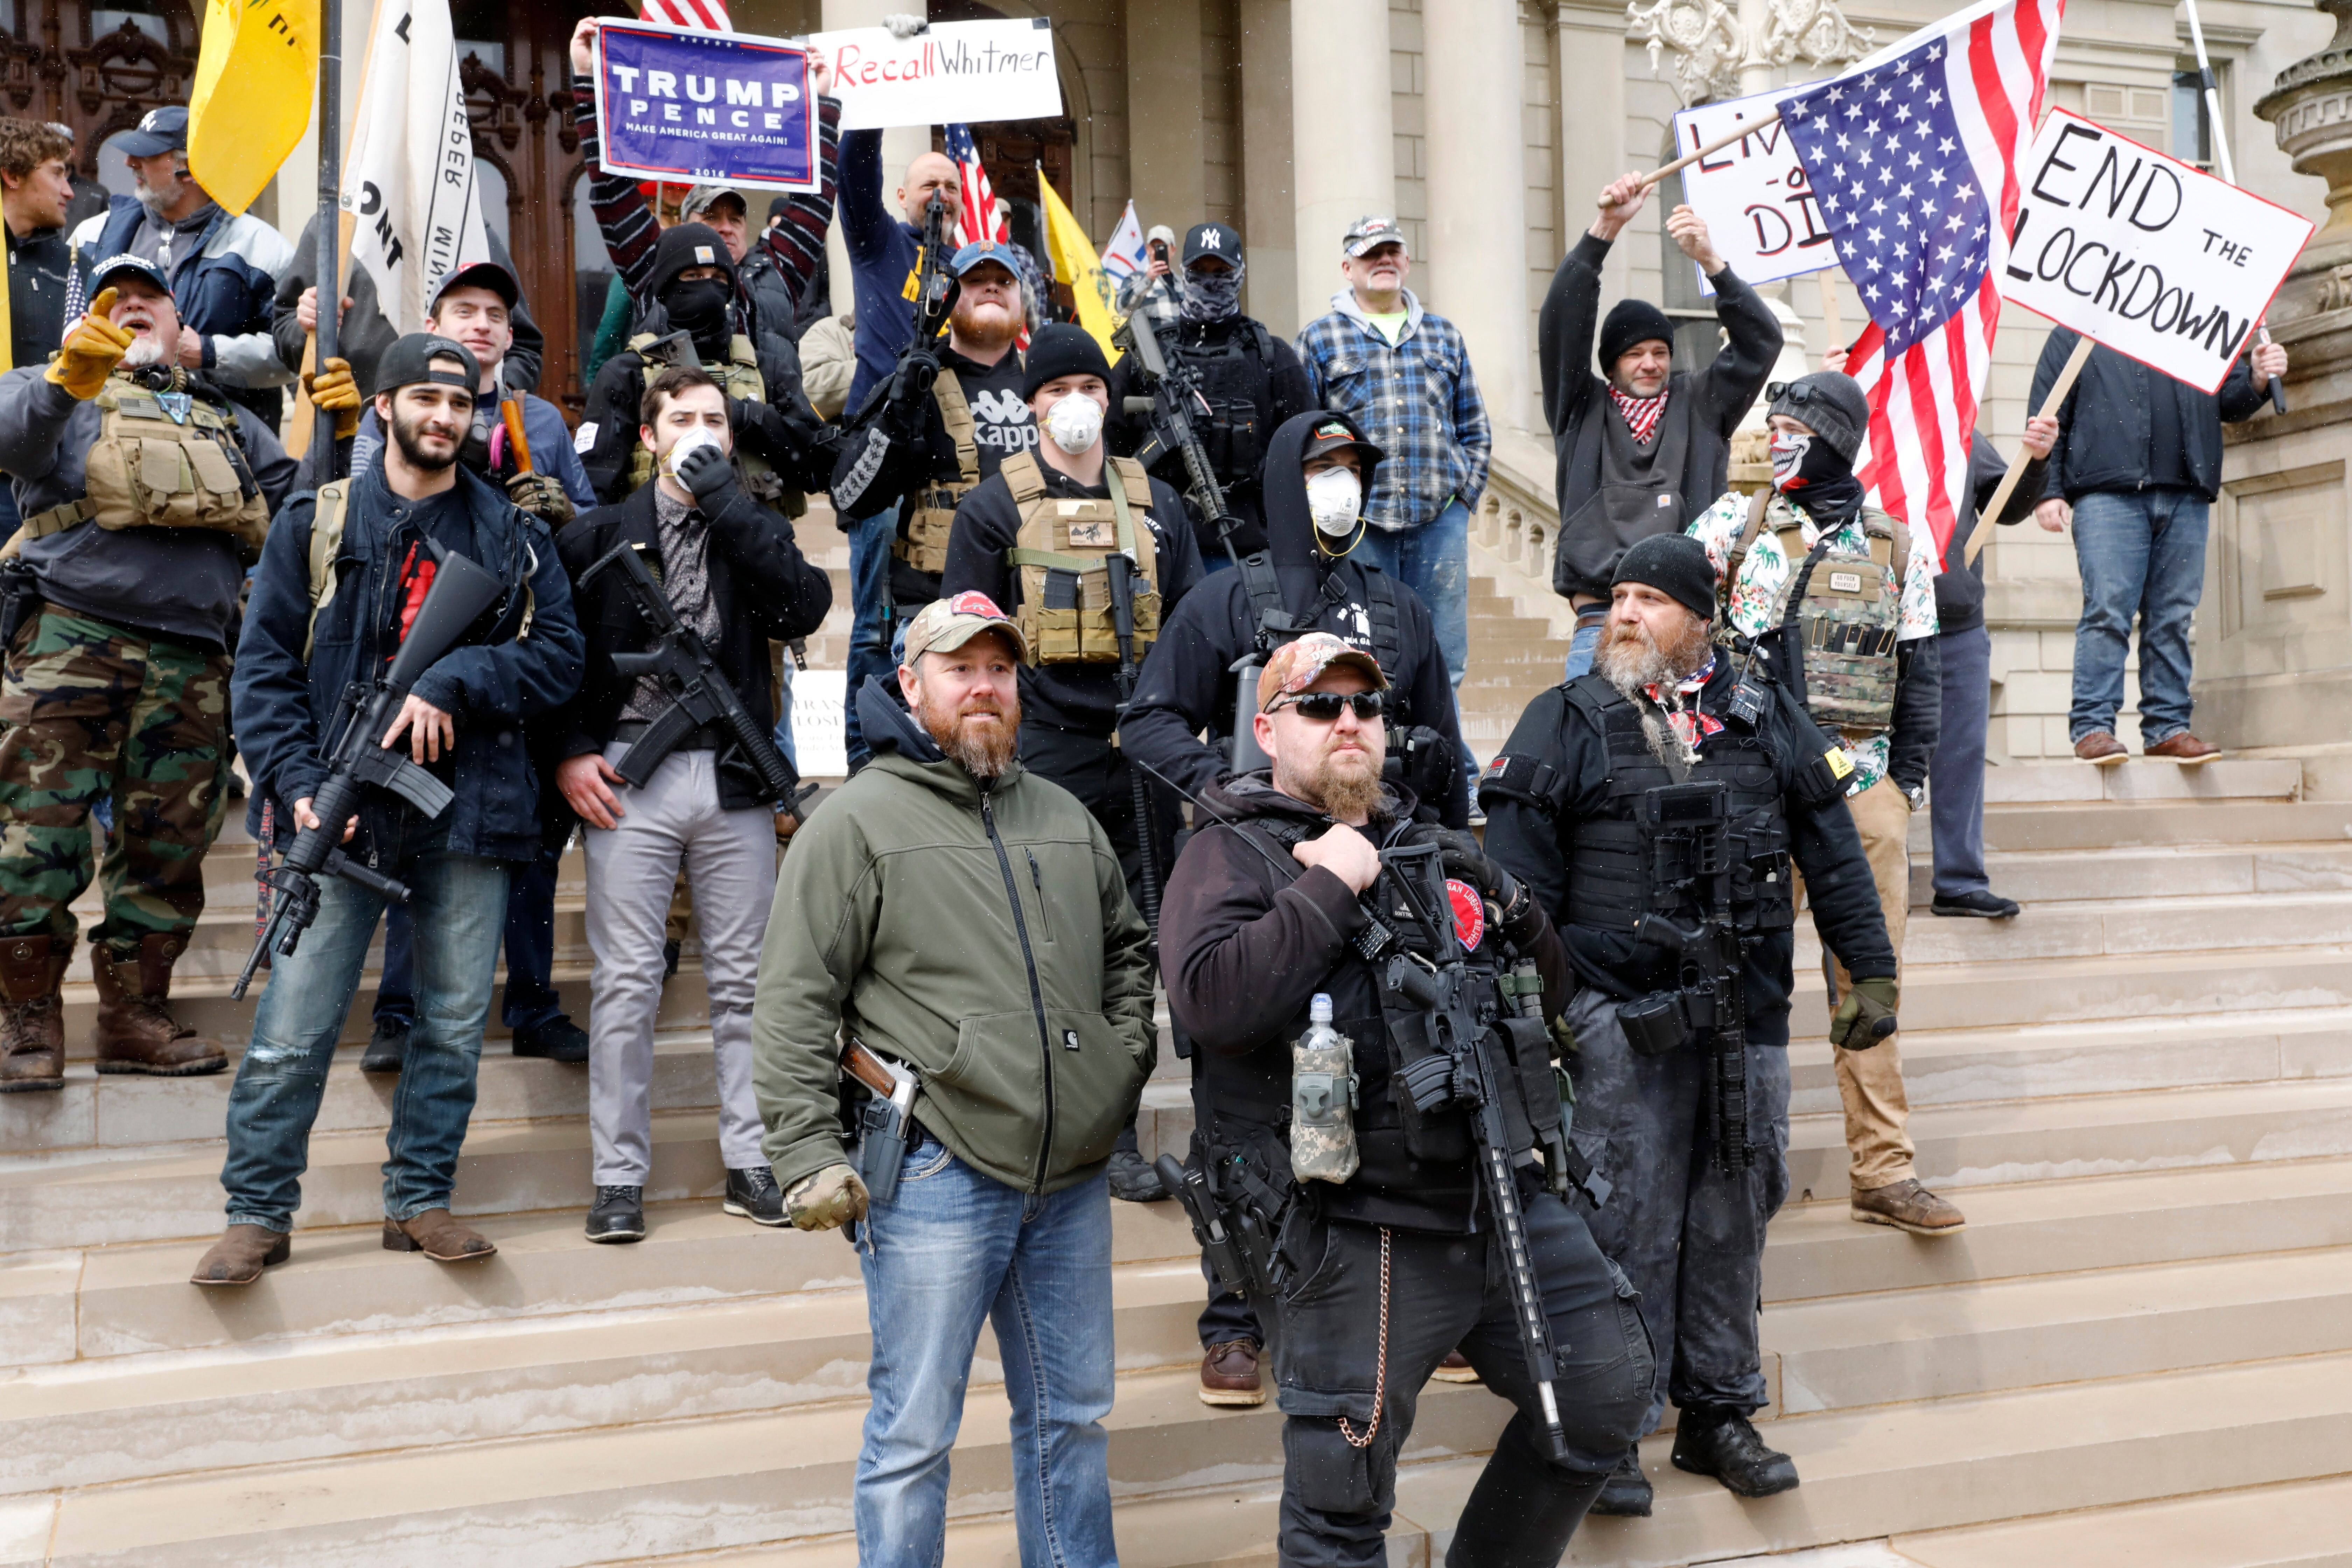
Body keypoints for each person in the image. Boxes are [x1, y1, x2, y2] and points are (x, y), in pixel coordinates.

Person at [1159, 630, 1650, 1564]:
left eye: (1366, 706)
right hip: (1355, 1222)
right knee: (1342, 1502)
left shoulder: (1430, 841)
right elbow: (1216, 1001)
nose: (1350, 723)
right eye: (1320, 706)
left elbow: (1546, 994)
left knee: (1606, 1391)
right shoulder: (1230, 851)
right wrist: (1330, 885)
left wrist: (1511, 899)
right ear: (1268, 730)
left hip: (1495, 1193)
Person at [1481, 533, 1898, 1513]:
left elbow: (1833, 849)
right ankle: (1612, 1426)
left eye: (1648, 598)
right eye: (1618, 594)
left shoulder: (1763, 717)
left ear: (1699, 618)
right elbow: (1515, 886)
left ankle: (1717, 1413)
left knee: (1731, 1219)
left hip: (1743, 1018)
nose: (1625, 612)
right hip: (1616, 1021)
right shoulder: (1566, 717)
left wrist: (1869, 974)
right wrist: (1554, 1014)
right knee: (1618, 1219)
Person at [751, 592, 1155, 1568]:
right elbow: (793, 998)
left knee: (1071, 1424)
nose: (984, 687)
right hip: (939, 1172)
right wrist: (806, 1151)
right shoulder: (854, 824)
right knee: (913, 1435)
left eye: (1000, 670)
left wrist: (1116, 1064)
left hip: (1068, 1179)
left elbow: (1128, 957)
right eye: (959, 668)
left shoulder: (1064, 816)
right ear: (909, 684)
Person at [198, 332, 582, 1285]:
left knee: (452, 1023)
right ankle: (257, 1212)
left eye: (462, 405)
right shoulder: (317, 521)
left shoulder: (511, 535)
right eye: (426, 400)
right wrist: (295, 786)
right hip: (340, 805)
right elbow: (264, 671)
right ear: (384, 409)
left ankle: (419, 1200)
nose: (446, 418)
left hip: (473, 810)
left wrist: (459, 676)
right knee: (294, 1025)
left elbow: (562, 659)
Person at [1122, 411, 1473, 1399]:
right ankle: (1235, 1318)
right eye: (1323, 466)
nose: (1342, 483)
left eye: (1356, 467)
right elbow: (1146, 721)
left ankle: (1430, 1303)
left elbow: (1439, 748)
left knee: (1403, 1080)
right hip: (1254, 872)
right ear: (1287, 477)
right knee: (1242, 1100)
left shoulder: (1400, 610)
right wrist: (1234, 789)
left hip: (1382, 868)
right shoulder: (1226, 599)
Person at [0, 255, 298, 1094]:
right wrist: (66, 378)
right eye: (116, 297)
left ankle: (134, 1016)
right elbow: (7, 440)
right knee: (36, 838)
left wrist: (353, 434)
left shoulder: (225, 417)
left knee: (169, 849)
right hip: (71, 640)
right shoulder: (50, 389)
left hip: (195, 659)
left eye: (152, 300)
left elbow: (304, 513)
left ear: (180, 326)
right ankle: (27, 1018)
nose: (134, 308)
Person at [553, 364, 831, 1242]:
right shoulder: (600, 532)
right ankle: (618, 1175)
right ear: (649, 435)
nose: (700, 430)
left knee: (746, 983)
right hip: (630, 780)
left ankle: (751, 1161)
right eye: (682, 418)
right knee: (630, 982)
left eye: (715, 418)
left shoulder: (748, 530)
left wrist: (734, 508)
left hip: (736, 781)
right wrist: (568, 755)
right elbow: (557, 657)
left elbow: (807, 606)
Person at [1681, 371, 1962, 1237]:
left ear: (1837, 437)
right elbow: (1674, 620)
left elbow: (1922, 675)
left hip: (1861, 791)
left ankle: (1883, 1171)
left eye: (1794, 425)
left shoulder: (1898, 547)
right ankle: (1715, 1166)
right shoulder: (1738, 522)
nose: (1776, 438)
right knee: (1728, 973)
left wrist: (1902, 790)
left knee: (1869, 984)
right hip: (1756, 786)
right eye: (1773, 424)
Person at [938, 322, 1202, 1205]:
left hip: (1149, 749)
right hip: (1049, 750)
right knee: (1059, 950)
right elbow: (965, 640)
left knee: (1158, 944)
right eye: (1055, 390)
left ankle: (1128, 1127)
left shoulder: (1157, 499)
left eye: (1089, 385)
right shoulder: (993, 506)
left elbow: (1198, 623)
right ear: (1032, 403)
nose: (1074, 404)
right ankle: (1071, 1125)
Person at [348, 260, 597, 1077]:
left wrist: (555, 513)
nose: (483, 324)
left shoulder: (541, 421)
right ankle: (396, 1012)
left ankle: (531, 1004)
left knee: (522, 849)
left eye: (496, 312)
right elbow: (372, 517)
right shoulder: (402, 404)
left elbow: (588, 531)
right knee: (417, 845)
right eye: (466, 310)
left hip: (516, 658)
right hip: (420, 654)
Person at [1544, 172, 1782, 679]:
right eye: (1634, 354)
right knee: (1591, 752)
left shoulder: (1699, 402)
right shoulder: (1580, 407)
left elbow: (1761, 341)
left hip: (1683, 624)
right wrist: (1605, 228)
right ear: (1611, 365)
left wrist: (1711, 263)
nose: (1650, 364)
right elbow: (1562, 318)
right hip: (1600, 622)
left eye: (1660, 352)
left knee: (1683, 755)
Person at [2030, 327, 2288, 764]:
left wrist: (2258, 378)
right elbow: (2048, 417)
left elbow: (2228, 401)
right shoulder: (2077, 330)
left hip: (2187, 492)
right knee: (2108, 610)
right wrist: (2048, 489)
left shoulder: (2196, 323)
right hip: (2107, 493)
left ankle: (2168, 727)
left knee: (2173, 617)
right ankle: (2094, 726)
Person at [828, 238, 1036, 770]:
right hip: (934, 618)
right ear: (949, 299)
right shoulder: (919, 380)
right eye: (975, 280)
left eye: (1004, 280)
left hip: (1035, 620)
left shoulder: (1052, 381)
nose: (992, 286)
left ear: (1022, 301)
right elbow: (850, 494)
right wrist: (899, 415)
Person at [1294, 216, 1491, 699]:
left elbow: (1476, 430)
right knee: (1360, 651)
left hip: (1438, 524)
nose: (1383, 261)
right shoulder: (1319, 340)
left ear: (1405, 260)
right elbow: (1300, 435)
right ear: (1347, 267)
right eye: (1370, 254)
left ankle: (1445, 765)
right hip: (1356, 527)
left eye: (1392, 251)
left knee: (1443, 658)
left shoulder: (1445, 337)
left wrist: (1462, 501)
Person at [568, 19, 839, 350]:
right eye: (711, 218)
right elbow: (612, 190)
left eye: (735, 219)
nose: (726, 228)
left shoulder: (778, 273)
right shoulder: (654, 270)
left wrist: (819, 105)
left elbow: (816, 201)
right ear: (684, 226)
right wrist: (588, 80)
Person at [578, 223, 835, 515]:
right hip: (656, 551)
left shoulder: (768, 369)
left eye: (718, 277)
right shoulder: (629, 373)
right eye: (694, 276)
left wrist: (748, 417)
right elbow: (593, 491)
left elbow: (820, 462)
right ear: (667, 287)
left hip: (755, 549)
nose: (708, 287)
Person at [64, 106, 295, 427]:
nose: (131, 163)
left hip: (219, 448)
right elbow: (61, 334)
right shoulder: (91, 235)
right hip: (108, 440)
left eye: (147, 154)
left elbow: (294, 354)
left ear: (188, 168)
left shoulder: (263, 249)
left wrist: (209, 352)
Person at [1107, 222, 1315, 566]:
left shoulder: (1273, 357)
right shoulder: (1145, 357)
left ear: (1240, 275)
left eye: (1222, 272)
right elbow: (1112, 445)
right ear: (1183, 274)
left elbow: (1304, 450)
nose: (1210, 282)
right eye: (1199, 272)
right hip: (1159, 544)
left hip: (1251, 550)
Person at [1929, 421, 2056, 920]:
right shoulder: (1863, 419)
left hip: (1958, 624)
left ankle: (1959, 880)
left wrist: (2036, 461)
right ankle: (1868, 882)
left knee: (1962, 755)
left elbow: (2008, 506)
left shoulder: (1959, 425)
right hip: (1882, 628)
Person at [277, 223, 547, 410]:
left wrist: (490, 404)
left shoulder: (473, 229)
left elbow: (523, 347)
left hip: (462, 445)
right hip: (351, 435)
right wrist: (307, 329)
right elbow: (284, 336)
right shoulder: (336, 227)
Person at [0, 117, 75, 541]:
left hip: (44, 475)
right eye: (58, 174)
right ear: (12, 176)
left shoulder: (75, 263)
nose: (69, 192)